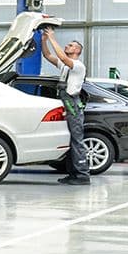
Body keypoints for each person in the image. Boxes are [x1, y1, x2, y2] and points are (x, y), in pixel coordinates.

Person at [39, 27, 90, 185]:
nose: (67, 46)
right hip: (65, 103)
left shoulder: (78, 66)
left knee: (77, 140)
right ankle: (72, 174)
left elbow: (61, 56)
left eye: (70, 45)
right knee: (70, 140)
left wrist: (53, 38)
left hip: (73, 104)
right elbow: (48, 56)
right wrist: (44, 41)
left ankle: (82, 175)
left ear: (77, 50)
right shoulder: (64, 65)